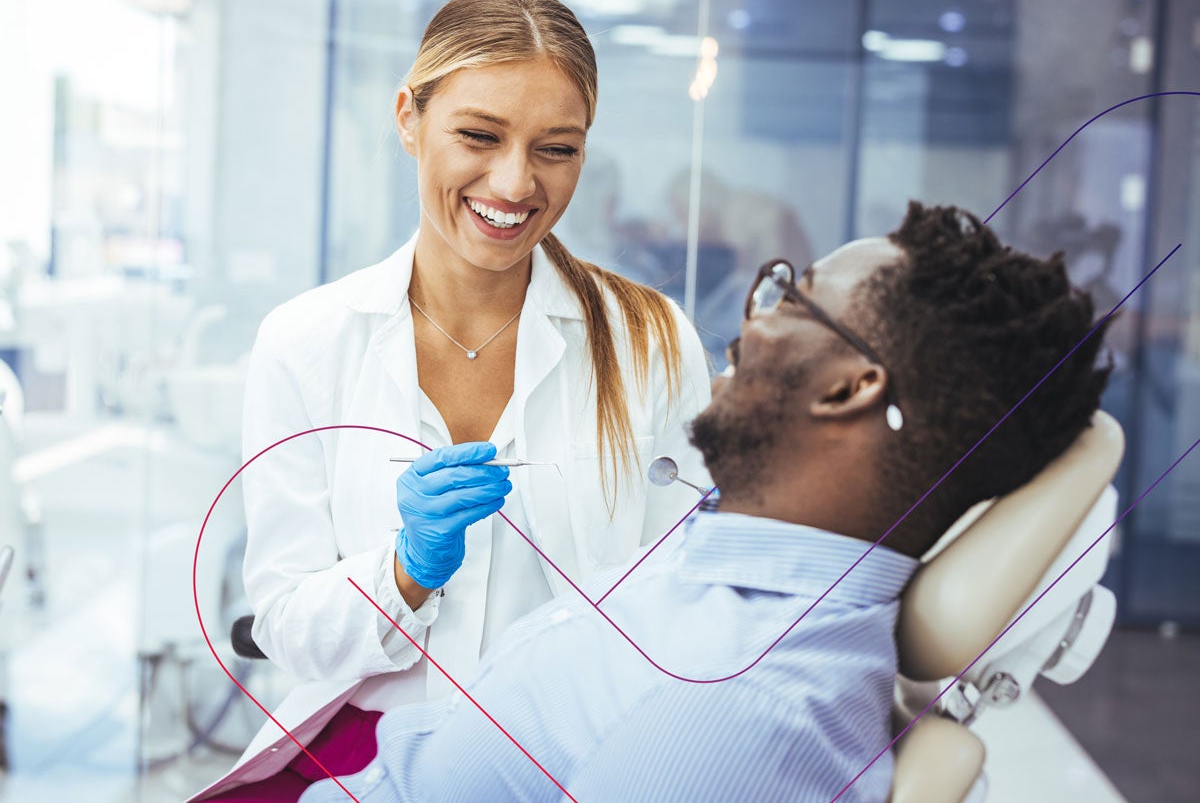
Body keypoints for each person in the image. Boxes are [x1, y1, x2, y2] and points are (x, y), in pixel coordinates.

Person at [298, 201, 1112, 802]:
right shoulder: (729, 558)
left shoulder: (733, 709)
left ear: (849, 389)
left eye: (791, 298)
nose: (748, 325)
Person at [192, 0, 712, 801]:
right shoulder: (307, 343)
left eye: (556, 148)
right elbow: (288, 630)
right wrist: (404, 571)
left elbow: (690, 599)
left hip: (574, 763)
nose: (514, 182)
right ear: (409, 119)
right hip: (366, 758)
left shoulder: (649, 339)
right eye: (479, 136)